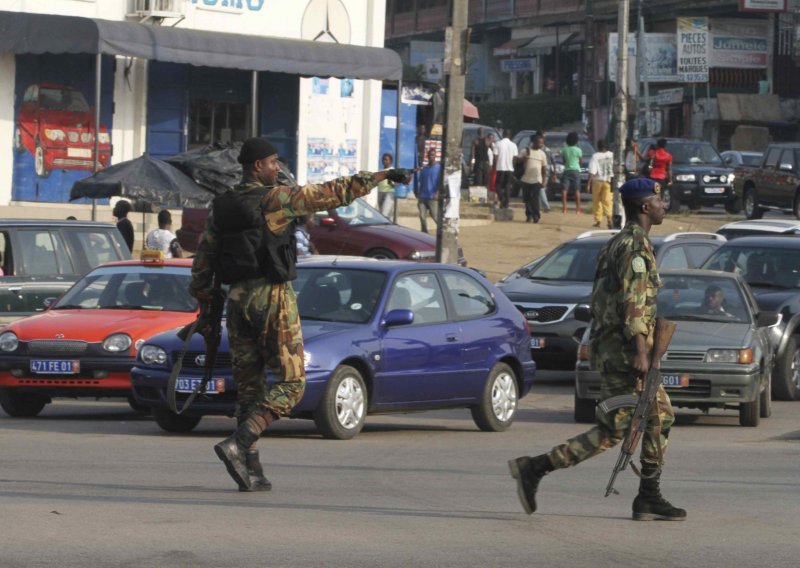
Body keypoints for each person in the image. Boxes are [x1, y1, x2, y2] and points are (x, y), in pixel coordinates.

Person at [189, 137, 408, 492]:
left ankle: (251, 469)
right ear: (257, 166)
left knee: (250, 390)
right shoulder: (275, 200)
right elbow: (332, 192)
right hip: (272, 297)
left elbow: (203, 261)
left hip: (236, 301)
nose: (278, 167)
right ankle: (239, 444)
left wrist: (205, 308)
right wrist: (382, 176)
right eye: (273, 161)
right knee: (292, 384)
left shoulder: (221, 206)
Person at [508, 177, 687, 522]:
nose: (665, 204)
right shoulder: (635, 249)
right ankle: (536, 467)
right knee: (618, 428)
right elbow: (633, 303)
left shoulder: (619, 242)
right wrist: (641, 350)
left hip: (613, 348)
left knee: (657, 416)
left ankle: (648, 496)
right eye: (660, 199)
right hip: (625, 353)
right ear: (645, 207)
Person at [518, 135, 548, 223]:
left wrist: (544, 180)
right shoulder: (525, 151)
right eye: (539, 143)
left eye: (542, 143)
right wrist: (523, 159)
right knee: (527, 199)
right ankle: (529, 215)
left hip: (537, 180)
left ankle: (536, 216)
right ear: (534, 142)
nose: (541, 144)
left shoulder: (542, 154)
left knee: (535, 199)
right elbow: (516, 161)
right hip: (525, 179)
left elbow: (544, 169)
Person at [588, 140, 615, 229]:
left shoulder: (595, 156)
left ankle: (598, 220)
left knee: (597, 201)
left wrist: (589, 184)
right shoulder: (612, 155)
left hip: (597, 181)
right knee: (608, 201)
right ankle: (609, 219)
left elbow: (592, 171)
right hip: (609, 181)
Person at [416, 149, 440, 234]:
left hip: (432, 196)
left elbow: (441, 182)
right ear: (427, 156)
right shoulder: (424, 169)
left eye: (432, 155)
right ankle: (424, 232)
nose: (431, 157)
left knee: (435, 216)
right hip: (423, 196)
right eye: (429, 155)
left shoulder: (439, 168)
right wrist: (419, 194)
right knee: (422, 216)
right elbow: (421, 182)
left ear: (435, 156)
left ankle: (442, 230)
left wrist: (437, 193)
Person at [494, 129, 518, 209]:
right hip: (510, 169)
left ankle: (502, 199)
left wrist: (494, 168)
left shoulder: (498, 144)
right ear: (510, 135)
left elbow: (495, 157)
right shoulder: (513, 145)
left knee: (498, 186)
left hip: (500, 168)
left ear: (503, 134)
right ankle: (506, 203)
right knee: (508, 186)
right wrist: (513, 168)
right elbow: (514, 159)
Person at [560, 131, 583, 214]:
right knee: (577, 190)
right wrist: (578, 165)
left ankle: (564, 209)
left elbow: (564, 161)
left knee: (564, 190)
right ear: (576, 141)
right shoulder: (578, 150)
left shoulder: (564, 149)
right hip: (576, 170)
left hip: (567, 170)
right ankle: (578, 209)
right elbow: (581, 161)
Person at [377, 153, 396, 218]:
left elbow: (398, 182)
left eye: (386, 160)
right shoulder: (380, 171)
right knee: (382, 213)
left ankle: (387, 226)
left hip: (389, 193)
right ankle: (387, 226)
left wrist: (393, 184)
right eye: (383, 159)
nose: (384, 161)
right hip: (380, 192)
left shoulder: (392, 170)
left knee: (384, 213)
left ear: (390, 161)